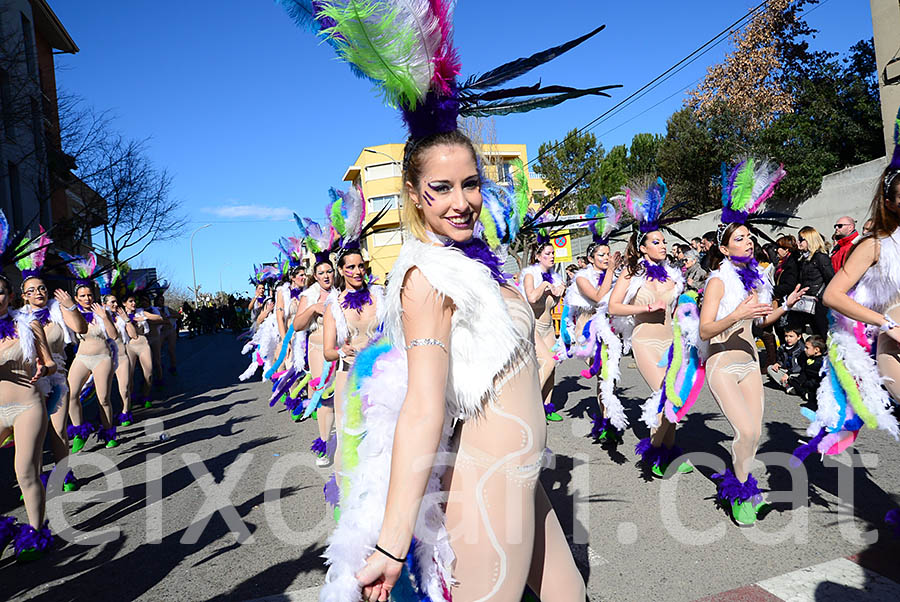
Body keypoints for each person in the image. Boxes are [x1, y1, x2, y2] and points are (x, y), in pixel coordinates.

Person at [276, 3, 606, 598]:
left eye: (471, 183)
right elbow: (423, 411)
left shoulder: (480, 263)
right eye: (442, 188)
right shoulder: (427, 277)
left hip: (523, 478)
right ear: (414, 194)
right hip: (486, 488)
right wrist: (390, 542)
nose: (461, 201)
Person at [699, 158, 806, 526]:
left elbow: (762, 322)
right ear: (726, 249)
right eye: (740, 237)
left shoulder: (757, 280)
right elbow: (705, 330)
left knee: (755, 434)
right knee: (744, 430)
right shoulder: (717, 281)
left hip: (750, 364)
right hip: (722, 364)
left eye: (749, 236)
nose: (749, 240)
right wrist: (736, 316)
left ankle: (743, 486)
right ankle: (740, 495)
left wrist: (784, 307)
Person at [609, 178, 692, 476]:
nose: (663, 246)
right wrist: (645, 308)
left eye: (664, 241)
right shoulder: (632, 275)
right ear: (643, 248)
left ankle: (667, 450)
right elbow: (613, 307)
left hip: (671, 342)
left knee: (676, 400)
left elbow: (680, 310)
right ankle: (656, 452)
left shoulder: (675, 276)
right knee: (665, 393)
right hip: (645, 342)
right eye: (656, 242)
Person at [17, 230, 86, 494]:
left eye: (42, 288)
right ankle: (31, 481)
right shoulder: (17, 318)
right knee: (32, 435)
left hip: (56, 379)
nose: (38, 293)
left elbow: (79, 328)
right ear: (23, 295)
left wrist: (69, 306)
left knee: (58, 430)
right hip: (27, 381)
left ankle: (63, 470)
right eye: (31, 290)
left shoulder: (57, 312)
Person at [0, 271, 57, 561]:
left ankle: (36, 531)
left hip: (27, 406)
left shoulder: (29, 323)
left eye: (0, 292)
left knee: (25, 471)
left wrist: (43, 368)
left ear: (10, 296)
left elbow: (50, 364)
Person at [62, 255, 123, 451]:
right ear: (77, 298)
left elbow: (113, 335)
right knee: (71, 395)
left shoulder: (101, 311)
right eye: (83, 296)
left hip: (102, 358)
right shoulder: (72, 312)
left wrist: (105, 317)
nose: (87, 298)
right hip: (82, 357)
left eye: (89, 295)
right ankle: (80, 431)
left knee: (103, 398)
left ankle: (108, 431)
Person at [293, 257, 336, 466]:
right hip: (318, 349)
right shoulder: (309, 296)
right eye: (321, 273)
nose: (326, 276)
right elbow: (297, 325)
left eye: (329, 271)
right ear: (315, 277)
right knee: (325, 394)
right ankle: (325, 444)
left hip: (341, 349)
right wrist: (313, 309)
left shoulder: (341, 292)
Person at [521, 242, 566, 422]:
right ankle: (528, 408)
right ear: (538, 256)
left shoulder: (555, 277)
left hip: (548, 329)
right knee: (547, 363)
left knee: (552, 366)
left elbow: (555, 304)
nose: (553, 256)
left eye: (553, 253)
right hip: (534, 327)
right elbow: (532, 298)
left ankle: (546, 406)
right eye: (548, 253)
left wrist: (559, 291)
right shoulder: (530, 275)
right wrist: (545, 285)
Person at [794, 226, 834, 336]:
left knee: (823, 333)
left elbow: (831, 278)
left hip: (820, 302)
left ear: (810, 240)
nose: (799, 243)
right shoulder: (804, 259)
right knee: (815, 333)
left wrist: (824, 297)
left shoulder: (820, 257)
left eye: (802, 240)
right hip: (808, 301)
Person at [786, 334, 825, 407]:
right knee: (792, 379)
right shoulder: (809, 358)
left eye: (807, 348)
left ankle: (805, 393)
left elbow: (808, 375)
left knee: (796, 381)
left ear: (816, 349)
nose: (804, 349)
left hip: (814, 385)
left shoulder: (818, 362)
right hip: (809, 383)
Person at [766, 326, 804, 392]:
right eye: (786, 336)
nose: (788, 339)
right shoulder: (783, 348)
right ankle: (787, 385)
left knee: (795, 377)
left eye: (791, 336)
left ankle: (789, 384)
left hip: (796, 372)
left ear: (799, 337)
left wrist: (788, 374)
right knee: (770, 368)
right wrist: (778, 364)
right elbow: (781, 359)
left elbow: (799, 366)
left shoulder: (801, 349)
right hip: (786, 371)